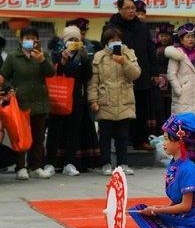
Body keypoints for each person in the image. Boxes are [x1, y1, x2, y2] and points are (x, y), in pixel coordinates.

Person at [45, 25, 101, 176]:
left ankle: (70, 163)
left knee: (73, 132)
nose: (73, 42)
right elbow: (56, 73)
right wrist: (63, 59)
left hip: (77, 98)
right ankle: (49, 163)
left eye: (76, 39)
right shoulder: (57, 54)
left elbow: (87, 76)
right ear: (65, 40)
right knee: (55, 131)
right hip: (60, 97)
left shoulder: (83, 55)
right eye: (70, 39)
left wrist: (85, 59)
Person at [1, 26, 55, 179]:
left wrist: (42, 61)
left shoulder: (42, 55)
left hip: (40, 101)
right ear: (21, 40)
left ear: (37, 40)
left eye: (33, 38)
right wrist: (10, 88)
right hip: (21, 102)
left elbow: (51, 73)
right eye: (27, 38)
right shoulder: (13, 57)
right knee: (21, 135)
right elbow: (5, 76)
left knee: (38, 137)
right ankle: (20, 167)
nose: (30, 41)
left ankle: (35, 166)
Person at [89, 26, 141, 175]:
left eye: (118, 40)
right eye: (112, 40)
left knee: (123, 135)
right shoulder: (99, 56)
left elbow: (136, 74)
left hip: (125, 99)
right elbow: (93, 82)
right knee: (105, 135)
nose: (115, 43)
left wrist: (124, 63)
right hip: (106, 100)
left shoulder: (128, 53)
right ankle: (105, 164)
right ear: (106, 42)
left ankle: (122, 164)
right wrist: (93, 100)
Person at [107, 0, 157, 150]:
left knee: (141, 109)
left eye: (133, 8)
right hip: (121, 74)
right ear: (119, 9)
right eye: (127, 8)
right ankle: (122, 141)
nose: (131, 11)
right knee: (122, 110)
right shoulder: (112, 27)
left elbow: (150, 50)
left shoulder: (142, 26)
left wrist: (154, 72)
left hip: (141, 73)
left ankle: (140, 140)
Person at [165, 23, 195, 124]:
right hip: (183, 97)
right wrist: (179, 90)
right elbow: (171, 74)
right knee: (183, 127)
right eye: (187, 37)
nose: (191, 39)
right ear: (181, 39)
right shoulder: (176, 54)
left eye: (193, 36)